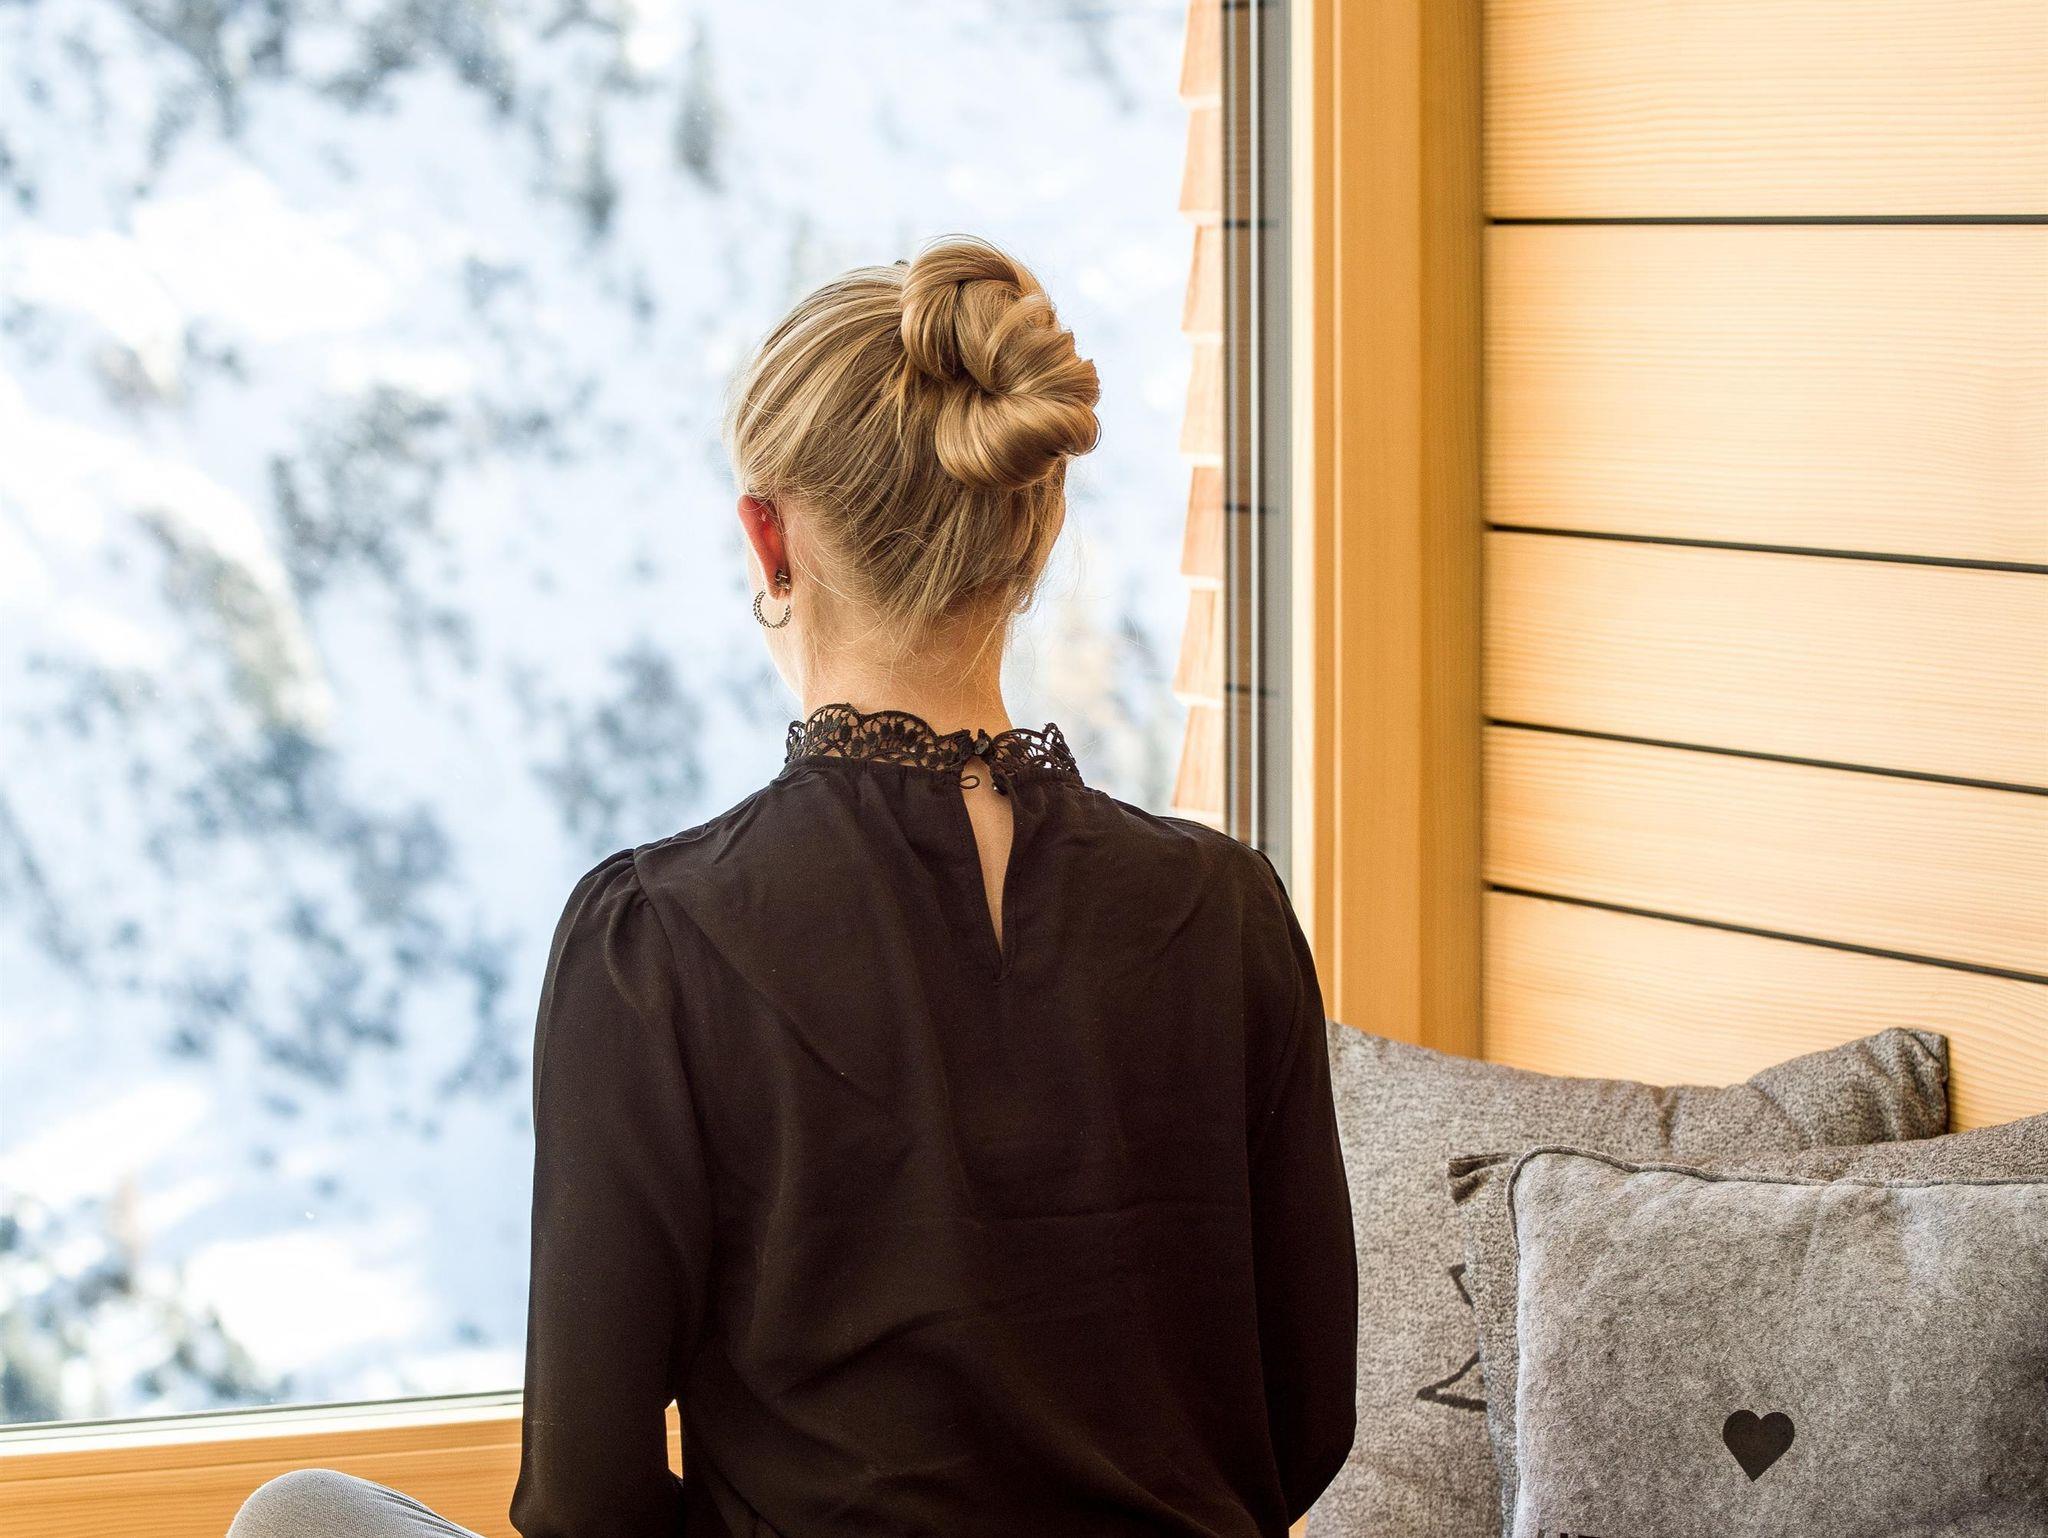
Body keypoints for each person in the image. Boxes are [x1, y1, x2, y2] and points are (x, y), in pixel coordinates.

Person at [228, 234, 1356, 1538]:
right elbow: (1304, 1425)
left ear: (769, 540)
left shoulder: (655, 941)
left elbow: (585, 1501)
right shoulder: (1228, 909)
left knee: (302, 1515)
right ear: (1034, 526)